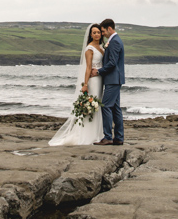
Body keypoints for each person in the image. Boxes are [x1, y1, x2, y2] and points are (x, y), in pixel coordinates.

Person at [48, 24, 105, 146]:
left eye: (98, 32)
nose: (96, 34)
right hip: (93, 80)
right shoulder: (89, 48)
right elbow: (88, 67)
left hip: (100, 79)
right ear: (90, 35)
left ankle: (98, 134)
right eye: (94, 32)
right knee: (92, 106)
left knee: (98, 105)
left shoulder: (101, 47)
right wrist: (85, 84)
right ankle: (88, 135)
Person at [92, 18, 126, 146]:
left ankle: (108, 137)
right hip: (115, 79)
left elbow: (112, 63)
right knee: (116, 109)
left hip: (113, 79)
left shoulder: (115, 42)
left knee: (105, 106)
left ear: (110, 29)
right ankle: (119, 137)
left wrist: (99, 71)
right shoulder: (113, 41)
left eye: (103, 31)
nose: (102, 34)